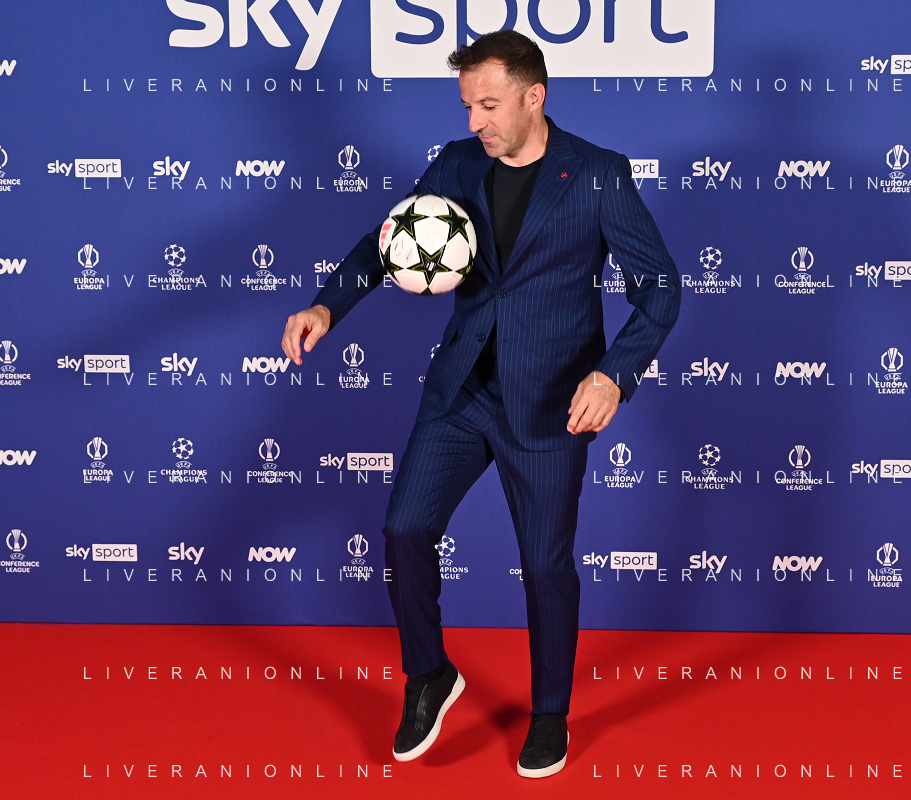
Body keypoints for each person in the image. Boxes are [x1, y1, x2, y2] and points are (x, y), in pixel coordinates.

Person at [281, 29, 680, 778]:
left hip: (552, 403)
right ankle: (429, 674)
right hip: (461, 391)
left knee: (545, 567)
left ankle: (549, 714)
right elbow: (385, 242)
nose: (476, 122)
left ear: (534, 98)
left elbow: (660, 286)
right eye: (468, 106)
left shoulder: (598, 175)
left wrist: (612, 375)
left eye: (489, 106)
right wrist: (326, 307)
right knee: (403, 528)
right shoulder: (459, 163)